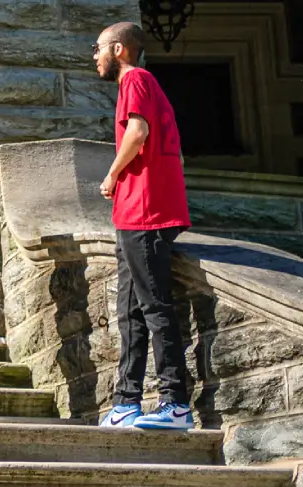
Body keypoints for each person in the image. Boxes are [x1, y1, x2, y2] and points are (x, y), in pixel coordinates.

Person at [90, 23, 196, 430]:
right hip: (137, 212)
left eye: (98, 48)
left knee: (153, 307)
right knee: (130, 311)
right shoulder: (150, 85)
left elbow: (138, 132)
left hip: (144, 211)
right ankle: (125, 401)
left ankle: (176, 404)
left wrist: (112, 176)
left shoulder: (134, 80)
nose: (94, 56)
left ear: (118, 50)